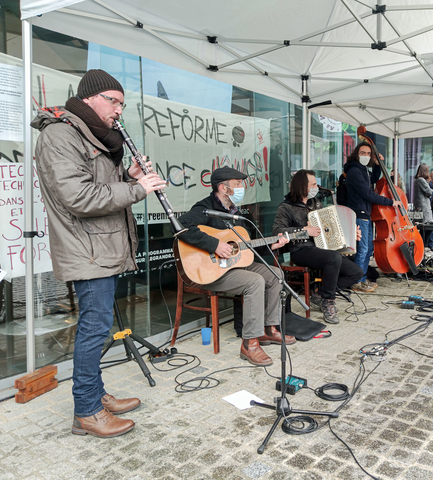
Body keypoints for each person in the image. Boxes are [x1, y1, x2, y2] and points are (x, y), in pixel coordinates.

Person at [32, 69, 167, 438]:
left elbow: (102, 189)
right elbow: (78, 198)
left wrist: (129, 177)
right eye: (114, 100)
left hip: (100, 246)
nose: (119, 110)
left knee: (99, 326)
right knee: (94, 330)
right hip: (86, 250)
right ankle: (87, 412)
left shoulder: (90, 135)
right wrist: (138, 189)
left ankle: (96, 394)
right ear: (90, 97)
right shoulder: (60, 135)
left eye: (122, 103)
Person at [178, 167, 295, 366]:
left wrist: (272, 245)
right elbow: (181, 226)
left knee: (276, 274)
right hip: (210, 271)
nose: (242, 187)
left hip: (234, 267)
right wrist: (214, 245)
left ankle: (268, 329)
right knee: (255, 281)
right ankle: (249, 344)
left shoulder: (236, 212)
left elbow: (245, 248)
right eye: (238, 184)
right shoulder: (205, 208)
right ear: (223, 188)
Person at [272, 170, 363, 323]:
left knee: (356, 272)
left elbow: (329, 225)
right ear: (302, 186)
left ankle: (320, 295)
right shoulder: (286, 207)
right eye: (313, 184)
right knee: (333, 258)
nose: (317, 187)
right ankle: (328, 302)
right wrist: (303, 231)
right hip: (301, 250)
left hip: (322, 248)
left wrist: (351, 234)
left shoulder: (316, 203)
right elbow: (277, 232)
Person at [345, 142, 402, 292]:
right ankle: (356, 281)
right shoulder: (354, 171)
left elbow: (374, 179)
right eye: (363, 153)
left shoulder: (362, 170)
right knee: (363, 249)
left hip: (366, 214)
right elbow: (368, 193)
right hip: (359, 214)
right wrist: (390, 202)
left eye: (369, 154)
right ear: (357, 154)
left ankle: (362, 279)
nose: (366, 156)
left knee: (368, 248)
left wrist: (377, 165)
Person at [413, 164, 433, 252]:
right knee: (427, 228)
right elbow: (429, 192)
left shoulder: (418, 180)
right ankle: (423, 247)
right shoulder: (421, 180)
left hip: (420, 206)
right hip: (424, 206)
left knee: (425, 228)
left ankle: (423, 246)